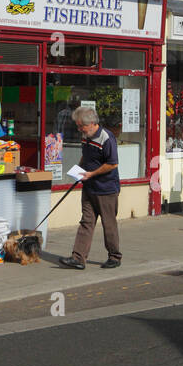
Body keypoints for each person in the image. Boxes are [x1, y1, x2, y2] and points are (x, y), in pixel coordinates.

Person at [59, 105, 123, 270]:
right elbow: (86, 155)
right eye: (78, 126)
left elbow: (112, 163)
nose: (80, 129)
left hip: (106, 188)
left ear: (92, 123)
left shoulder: (106, 138)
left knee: (108, 223)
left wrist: (92, 173)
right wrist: (79, 170)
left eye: (82, 126)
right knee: (86, 222)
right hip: (89, 186)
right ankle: (78, 258)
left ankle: (114, 256)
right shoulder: (86, 136)